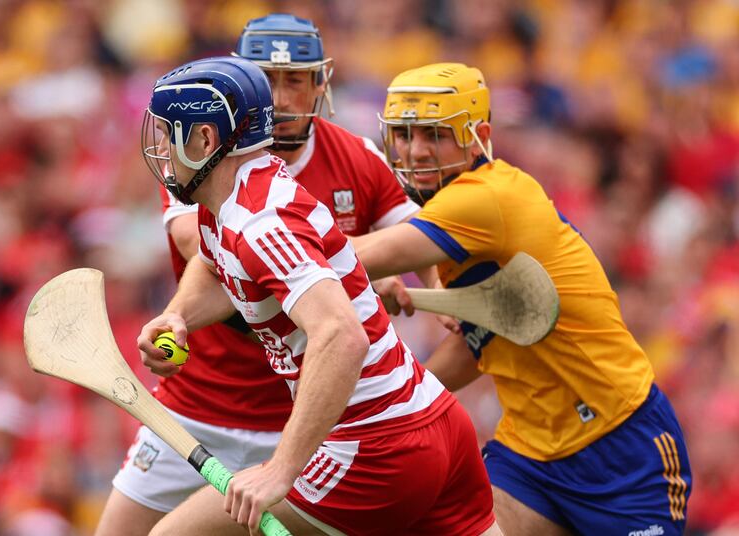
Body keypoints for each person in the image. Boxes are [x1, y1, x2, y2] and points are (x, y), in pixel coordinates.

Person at [136, 56, 500, 535]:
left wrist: (281, 468)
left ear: (205, 140)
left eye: (170, 131)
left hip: (375, 446)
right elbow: (216, 263)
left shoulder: (259, 224)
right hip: (433, 418)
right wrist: (179, 316)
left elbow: (341, 335)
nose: (160, 146)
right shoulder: (236, 195)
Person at [95, 15, 427, 536]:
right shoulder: (204, 163)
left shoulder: (352, 160)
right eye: (266, 79)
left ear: (321, 83)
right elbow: (200, 248)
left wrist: (367, 276)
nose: (280, 95)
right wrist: (177, 315)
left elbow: (418, 244)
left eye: (295, 79)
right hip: (200, 401)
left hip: (302, 418)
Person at [352, 62, 693, 536]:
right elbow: (481, 343)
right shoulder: (457, 221)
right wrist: (398, 404)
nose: (417, 151)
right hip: (530, 455)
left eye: (436, 134)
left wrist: (253, 240)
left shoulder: (483, 198)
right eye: (406, 135)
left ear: (478, 136)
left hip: (621, 448)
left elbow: (355, 257)